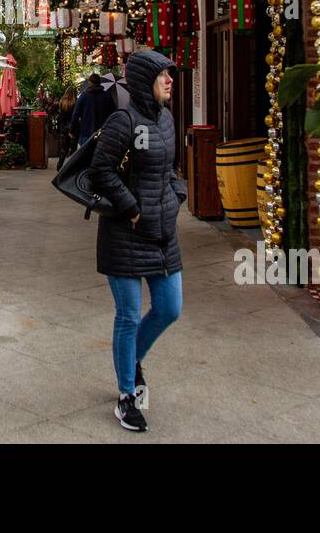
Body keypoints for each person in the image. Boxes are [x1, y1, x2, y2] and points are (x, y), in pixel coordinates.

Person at [89, 50, 186, 432]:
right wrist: (132, 208)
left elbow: (169, 170)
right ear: (146, 80)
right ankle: (126, 395)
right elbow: (101, 170)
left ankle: (133, 360)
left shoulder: (166, 120)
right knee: (128, 316)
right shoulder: (123, 121)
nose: (170, 81)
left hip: (163, 234)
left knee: (170, 307)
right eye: (164, 75)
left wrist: (176, 195)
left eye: (171, 76)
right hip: (125, 235)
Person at [69, 73, 115, 147]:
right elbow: (113, 114)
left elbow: (75, 114)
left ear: (90, 82)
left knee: (86, 157)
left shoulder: (83, 96)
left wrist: (72, 130)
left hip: (85, 133)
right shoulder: (107, 96)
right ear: (99, 82)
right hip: (103, 133)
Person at [55, 85, 78, 169]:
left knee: (64, 148)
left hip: (64, 126)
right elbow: (76, 116)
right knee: (73, 147)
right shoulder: (75, 102)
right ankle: (70, 166)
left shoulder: (61, 102)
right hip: (73, 127)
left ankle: (59, 164)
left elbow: (60, 115)